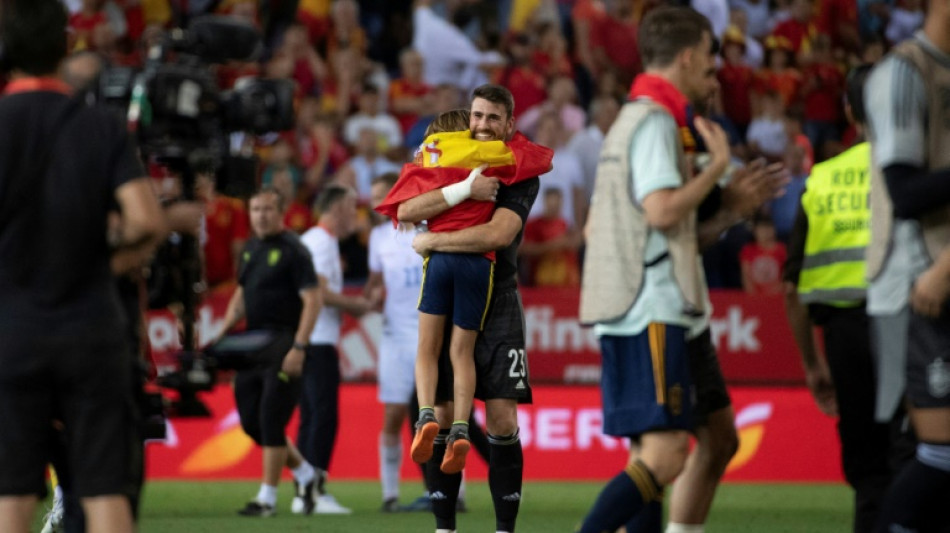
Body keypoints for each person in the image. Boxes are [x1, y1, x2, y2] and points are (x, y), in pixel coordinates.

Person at [579, 7, 784, 533]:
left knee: (717, 439)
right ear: (689, 56)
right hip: (651, 305)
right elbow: (664, 212)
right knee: (665, 453)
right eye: (712, 66)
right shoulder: (652, 122)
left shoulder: (648, 119)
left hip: (669, 303)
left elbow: (659, 227)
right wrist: (717, 168)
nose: (714, 78)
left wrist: (732, 206)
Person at [0, 1, 167, 532]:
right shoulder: (99, 125)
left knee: (12, 493)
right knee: (102, 488)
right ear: (64, 46)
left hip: (12, 328)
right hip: (91, 328)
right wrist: (103, 261)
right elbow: (146, 220)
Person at [376, 106, 552, 478]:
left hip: (438, 262)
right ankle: (460, 427)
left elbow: (402, 209)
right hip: (478, 266)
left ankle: (426, 415)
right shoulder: (494, 164)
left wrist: (432, 234)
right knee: (462, 352)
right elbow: (530, 156)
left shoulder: (432, 165)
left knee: (427, 349)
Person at [398, 83, 541, 533]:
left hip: (498, 300)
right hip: (456, 291)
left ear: (508, 125)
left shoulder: (520, 173)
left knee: (501, 418)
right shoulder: (451, 164)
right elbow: (405, 207)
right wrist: (459, 192)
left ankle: (504, 529)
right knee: (439, 416)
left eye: (492, 118)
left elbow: (497, 235)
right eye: (476, 116)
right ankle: (444, 528)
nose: (482, 125)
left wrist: (434, 240)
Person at [783, 65, 894, 533]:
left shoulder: (821, 180)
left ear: (848, 110)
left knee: (869, 475)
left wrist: (811, 363)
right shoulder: (915, 171)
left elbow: (792, 289)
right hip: (910, 331)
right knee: (919, 457)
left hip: (844, 340)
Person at [864, 6, 950, 530]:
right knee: (929, 454)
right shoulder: (904, 72)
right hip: (918, 287)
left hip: (941, 275)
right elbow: (905, 193)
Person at [216, 187, 322, 517]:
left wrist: (299, 347)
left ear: (281, 212)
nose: (261, 215)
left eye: (267, 209)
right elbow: (242, 295)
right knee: (253, 425)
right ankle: (306, 474)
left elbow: (313, 300)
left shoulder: (294, 250)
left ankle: (267, 499)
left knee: (271, 419)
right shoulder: (250, 249)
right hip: (251, 345)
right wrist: (220, 335)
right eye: (255, 209)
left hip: (283, 344)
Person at [297, 185, 372, 515]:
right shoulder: (322, 242)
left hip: (311, 339)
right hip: (318, 340)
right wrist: (355, 305)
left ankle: (304, 492)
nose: (354, 214)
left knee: (311, 416)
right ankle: (314, 492)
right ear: (338, 208)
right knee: (322, 417)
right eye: (351, 206)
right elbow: (319, 293)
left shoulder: (313, 240)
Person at [365, 173, 425, 512]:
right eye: (374, 199)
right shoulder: (377, 238)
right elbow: (374, 284)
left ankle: (451, 492)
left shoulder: (429, 228)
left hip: (429, 334)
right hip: (394, 336)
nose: (378, 205)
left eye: (382, 196)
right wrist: (370, 297)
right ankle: (390, 494)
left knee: (437, 414)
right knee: (393, 414)